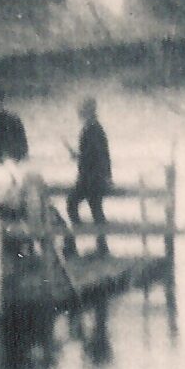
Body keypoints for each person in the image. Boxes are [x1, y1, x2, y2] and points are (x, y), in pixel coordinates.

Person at [67, 98, 113, 256]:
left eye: (81, 109)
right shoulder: (94, 128)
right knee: (96, 210)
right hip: (95, 179)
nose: (79, 112)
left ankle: (74, 242)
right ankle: (101, 246)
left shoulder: (92, 129)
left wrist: (78, 157)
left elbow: (94, 155)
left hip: (90, 179)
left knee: (72, 204)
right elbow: (100, 156)